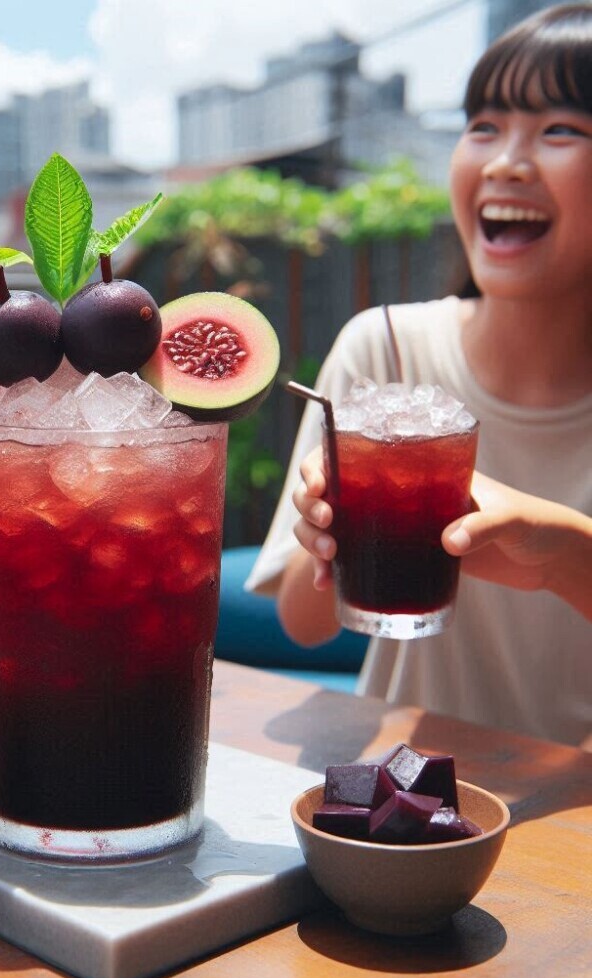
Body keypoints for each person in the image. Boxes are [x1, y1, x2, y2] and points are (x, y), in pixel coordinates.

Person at [247, 3, 592, 747]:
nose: (505, 160)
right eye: (483, 125)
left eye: (561, 129)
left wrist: (565, 551)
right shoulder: (386, 350)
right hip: (398, 799)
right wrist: (323, 532)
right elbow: (301, 626)